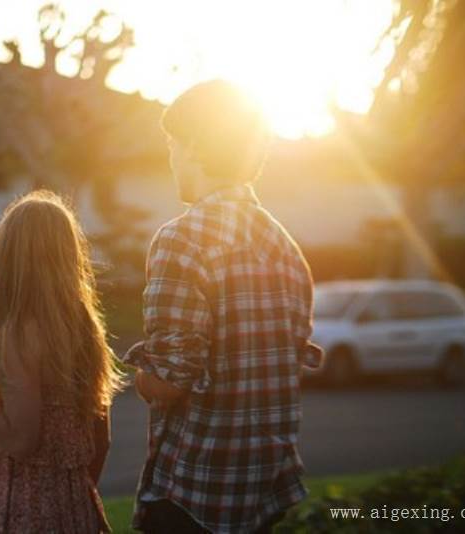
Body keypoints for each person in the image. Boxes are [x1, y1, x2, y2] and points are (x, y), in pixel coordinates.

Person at [123, 80, 323, 534]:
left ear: (193, 146)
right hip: (261, 492)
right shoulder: (286, 247)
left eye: (172, 145)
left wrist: (138, 377)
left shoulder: (181, 238)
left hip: (195, 494)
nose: (170, 158)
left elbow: (170, 380)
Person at [0, 190, 123, 533]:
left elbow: (21, 442)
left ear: (7, 256)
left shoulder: (18, 331)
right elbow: (101, 437)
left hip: (26, 508)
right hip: (75, 504)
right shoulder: (83, 326)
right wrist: (75, 493)